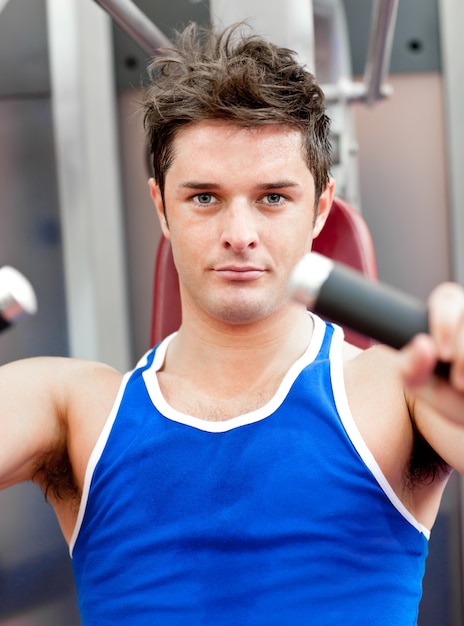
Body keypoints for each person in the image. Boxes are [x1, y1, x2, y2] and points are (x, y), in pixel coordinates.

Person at [2, 22, 464, 626]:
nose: (239, 234)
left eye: (273, 197)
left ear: (321, 208)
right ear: (161, 208)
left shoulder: (398, 392)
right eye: (204, 197)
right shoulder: (73, 409)